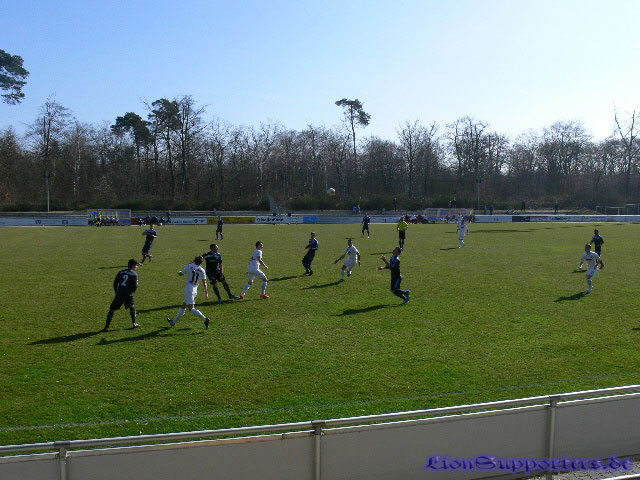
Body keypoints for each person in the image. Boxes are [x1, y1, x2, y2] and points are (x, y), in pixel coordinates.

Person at [167, 256, 211, 329]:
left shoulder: (189, 266)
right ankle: (173, 322)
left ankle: (205, 319)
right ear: (201, 263)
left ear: (194, 260)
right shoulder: (202, 270)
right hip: (195, 290)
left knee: (191, 309)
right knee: (183, 306)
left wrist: (179, 272)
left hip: (189, 290)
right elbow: (204, 282)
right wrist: (206, 293)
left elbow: (181, 273)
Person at [102, 259, 141, 331]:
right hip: (128, 294)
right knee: (132, 307)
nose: (136, 267)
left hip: (119, 294)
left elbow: (115, 283)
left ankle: (106, 327)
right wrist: (132, 292)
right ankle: (134, 323)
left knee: (112, 309)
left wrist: (117, 291)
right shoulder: (134, 274)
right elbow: (135, 286)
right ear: (133, 266)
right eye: (136, 265)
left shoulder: (121, 272)